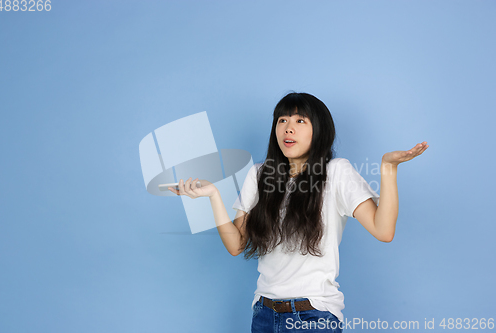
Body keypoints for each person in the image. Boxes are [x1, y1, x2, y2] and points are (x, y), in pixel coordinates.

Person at [169, 92, 428, 333]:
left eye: (300, 120)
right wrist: (214, 195)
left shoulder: (336, 172)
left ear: (319, 131)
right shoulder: (259, 175)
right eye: (282, 120)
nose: (288, 128)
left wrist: (388, 168)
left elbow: (383, 231)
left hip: (313, 316)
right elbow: (236, 245)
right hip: (263, 314)